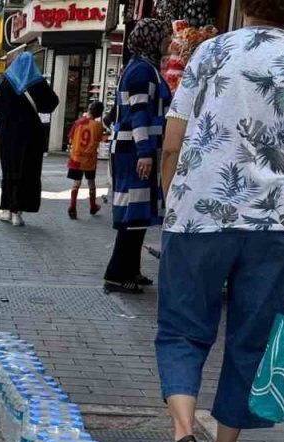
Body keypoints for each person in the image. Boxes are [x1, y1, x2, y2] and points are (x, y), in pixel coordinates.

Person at [148, 0, 284, 442]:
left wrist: (175, 201)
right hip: (274, 224)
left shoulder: (208, 53)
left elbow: (173, 141)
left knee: (183, 329)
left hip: (198, 214)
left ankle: (184, 437)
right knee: (252, 336)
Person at [105, 19, 172, 293]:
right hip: (135, 152)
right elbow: (139, 114)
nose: (168, 41)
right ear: (152, 39)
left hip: (134, 150)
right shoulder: (143, 72)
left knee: (139, 214)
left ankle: (130, 270)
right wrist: (145, 153)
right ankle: (119, 274)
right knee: (134, 214)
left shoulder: (142, 68)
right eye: (165, 36)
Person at [0, 52, 59, 227]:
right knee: (26, 171)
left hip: (8, 134)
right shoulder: (37, 82)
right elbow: (52, 103)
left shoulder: (7, 81)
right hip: (30, 134)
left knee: (9, 170)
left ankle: (7, 209)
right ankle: (18, 212)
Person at [67, 100, 106, 220]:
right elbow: (100, 139)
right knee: (91, 182)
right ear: (99, 114)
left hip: (76, 157)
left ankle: (73, 206)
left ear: (88, 110)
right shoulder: (98, 125)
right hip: (89, 159)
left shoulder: (78, 122)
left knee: (76, 183)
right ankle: (92, 206)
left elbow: (70, 139)